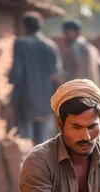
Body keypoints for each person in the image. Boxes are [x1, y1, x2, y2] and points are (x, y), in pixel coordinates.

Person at [9, 11, 63, 145]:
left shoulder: (20, 43)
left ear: (24, 26)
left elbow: (17, 73)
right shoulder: (50, 45)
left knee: (26, 143)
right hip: (46, 103)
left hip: (25, 101)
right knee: (43, 144)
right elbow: (56, 75)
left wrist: (11, 95)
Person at [62, 19, 100, 138]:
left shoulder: (73, 49)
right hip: (95, 98)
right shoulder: (92, 49)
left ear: (76, 33)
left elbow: (69, 75)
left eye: (66, 33)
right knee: (99, 133)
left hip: (78, 99)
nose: (64, 37)